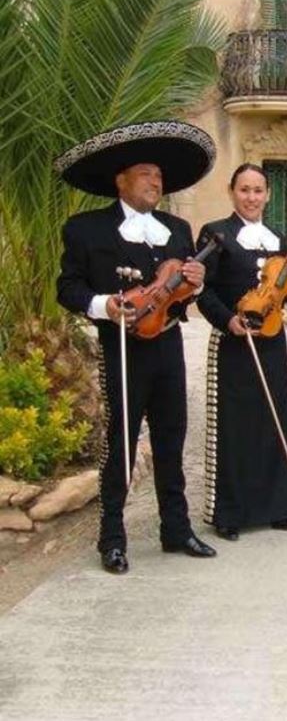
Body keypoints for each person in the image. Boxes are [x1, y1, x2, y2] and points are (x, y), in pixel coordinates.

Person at [55, 121, 219, 574]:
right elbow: (68, 288)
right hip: (122, 347)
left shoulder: (177, 228)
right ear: (121, 181)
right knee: (120, 444)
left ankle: (176, 529)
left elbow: (182, 293)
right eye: (146, 174)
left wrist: (196, 283)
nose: (155, 182)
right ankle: (112, 538)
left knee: (171, 439)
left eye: (159, 176)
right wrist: (105, 305)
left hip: (168, 346)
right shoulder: (86, 229)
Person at [195, 163, 287, 540]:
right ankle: (230, 512)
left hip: (272, 338)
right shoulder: (216, 233)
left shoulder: (278, 238)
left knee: (274, 419)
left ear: (267, 195)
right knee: (235, 424)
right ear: (231, 192)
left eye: (258, 191)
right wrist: (228, 321)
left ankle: (277, 506)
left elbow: (283, 293)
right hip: (234, 341)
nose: (251, 197)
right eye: (244, 190)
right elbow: (201, 290)